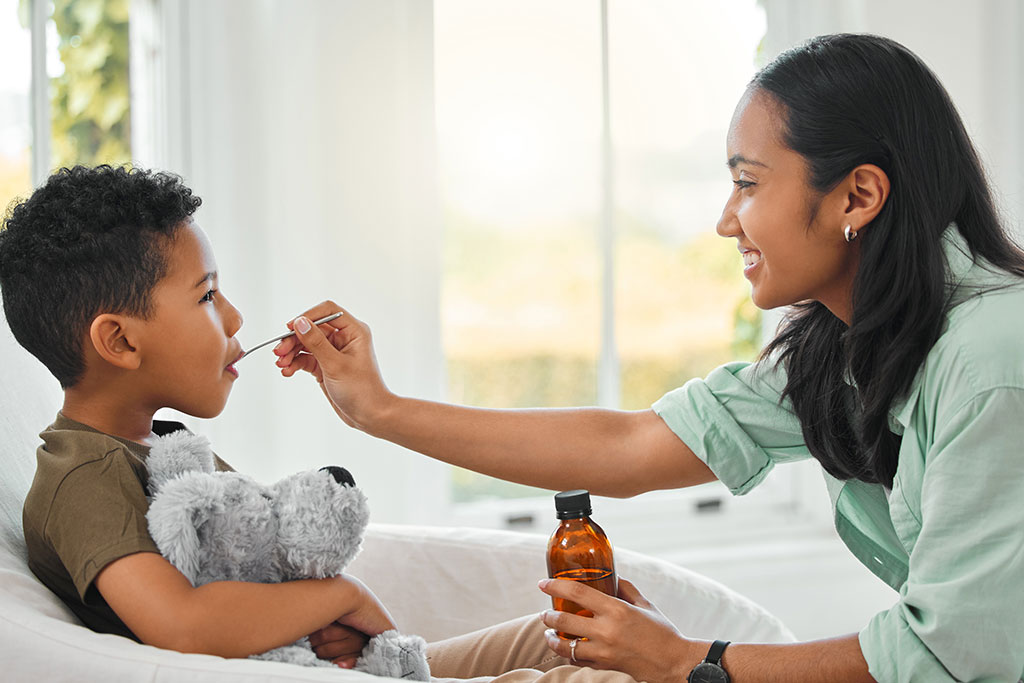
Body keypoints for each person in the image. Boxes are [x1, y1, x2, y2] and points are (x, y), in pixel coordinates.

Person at [274, 33, 1024, 683]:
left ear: (857, 196)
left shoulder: (993, 364)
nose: (726, 221)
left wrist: (688, 659)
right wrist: (378, 408)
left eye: (747, 183)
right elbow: (628, 445)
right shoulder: (841, 348)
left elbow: (942, 654)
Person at [0, 165, 394, 668]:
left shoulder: (168, 446)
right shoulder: (85, 479)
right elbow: (183, 624)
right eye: (207, 295)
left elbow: (263, 564)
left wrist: (319, 625)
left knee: (524, 651)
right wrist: (345, 598)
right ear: (120, 341)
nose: (234, 318)